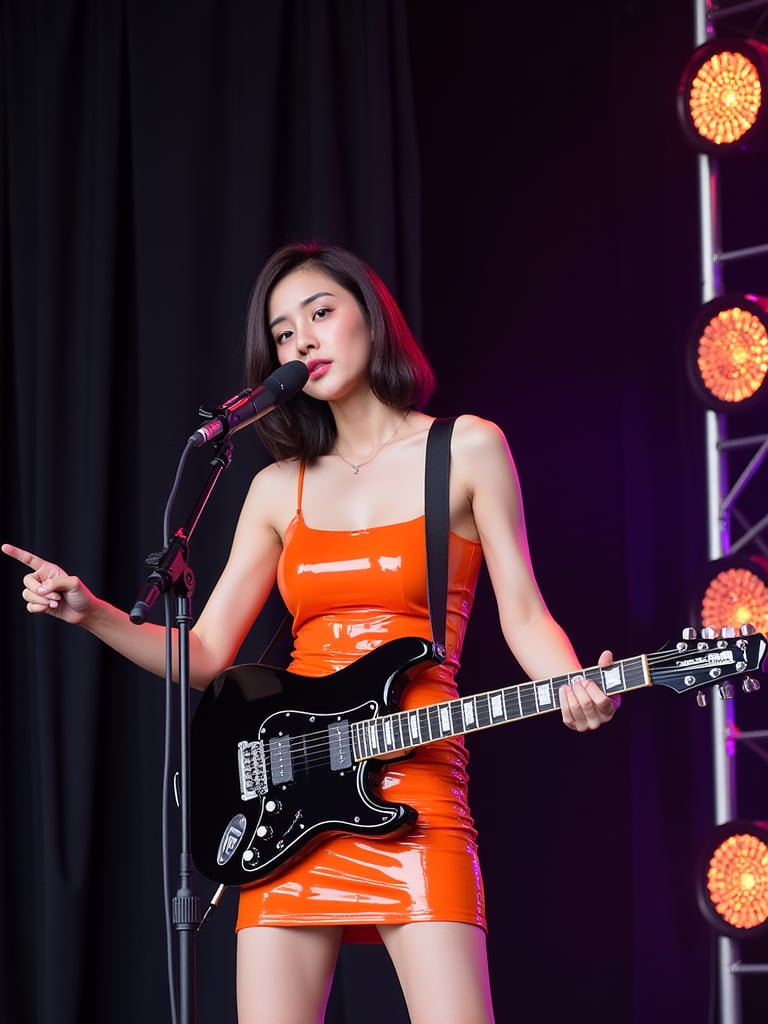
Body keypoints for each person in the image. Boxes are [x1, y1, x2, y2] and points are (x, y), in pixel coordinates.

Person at [2, 241, 619, 1024]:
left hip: (415, 785)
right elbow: (207, 655)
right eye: (284, 335)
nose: (304, 342)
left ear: (372, 318)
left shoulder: (465, 448)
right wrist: (91, 611)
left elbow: (525, 613)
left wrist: (570, 683)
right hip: (288, 797)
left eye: (321, 314)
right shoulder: (275, 487)